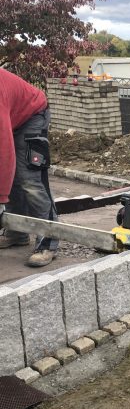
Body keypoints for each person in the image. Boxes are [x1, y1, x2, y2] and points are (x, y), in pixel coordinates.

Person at [0, 68, 58, 267]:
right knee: (14, 181)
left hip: (33, 115)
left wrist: (1, 198)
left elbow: (4, 150)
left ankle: (48, 241)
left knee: (28, 179)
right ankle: (17, 233)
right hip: (13, 116)